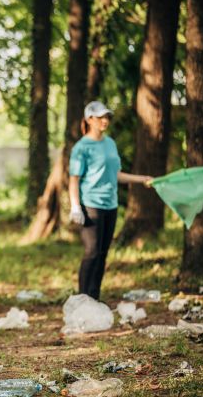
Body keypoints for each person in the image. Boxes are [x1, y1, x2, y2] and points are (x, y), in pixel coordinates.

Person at [69, 101, 152, 301]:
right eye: (100, 117)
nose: (105, 121)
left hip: (111, 205)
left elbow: (116, 175)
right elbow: (74, 179)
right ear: (89, 120)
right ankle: (83, 299)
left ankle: (94, 298)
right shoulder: (81, 147)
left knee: (103, 253)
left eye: (107, 117)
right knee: (92, 251)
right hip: (91, 205)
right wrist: (75, 206)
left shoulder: (110, 143)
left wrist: (142, 179)